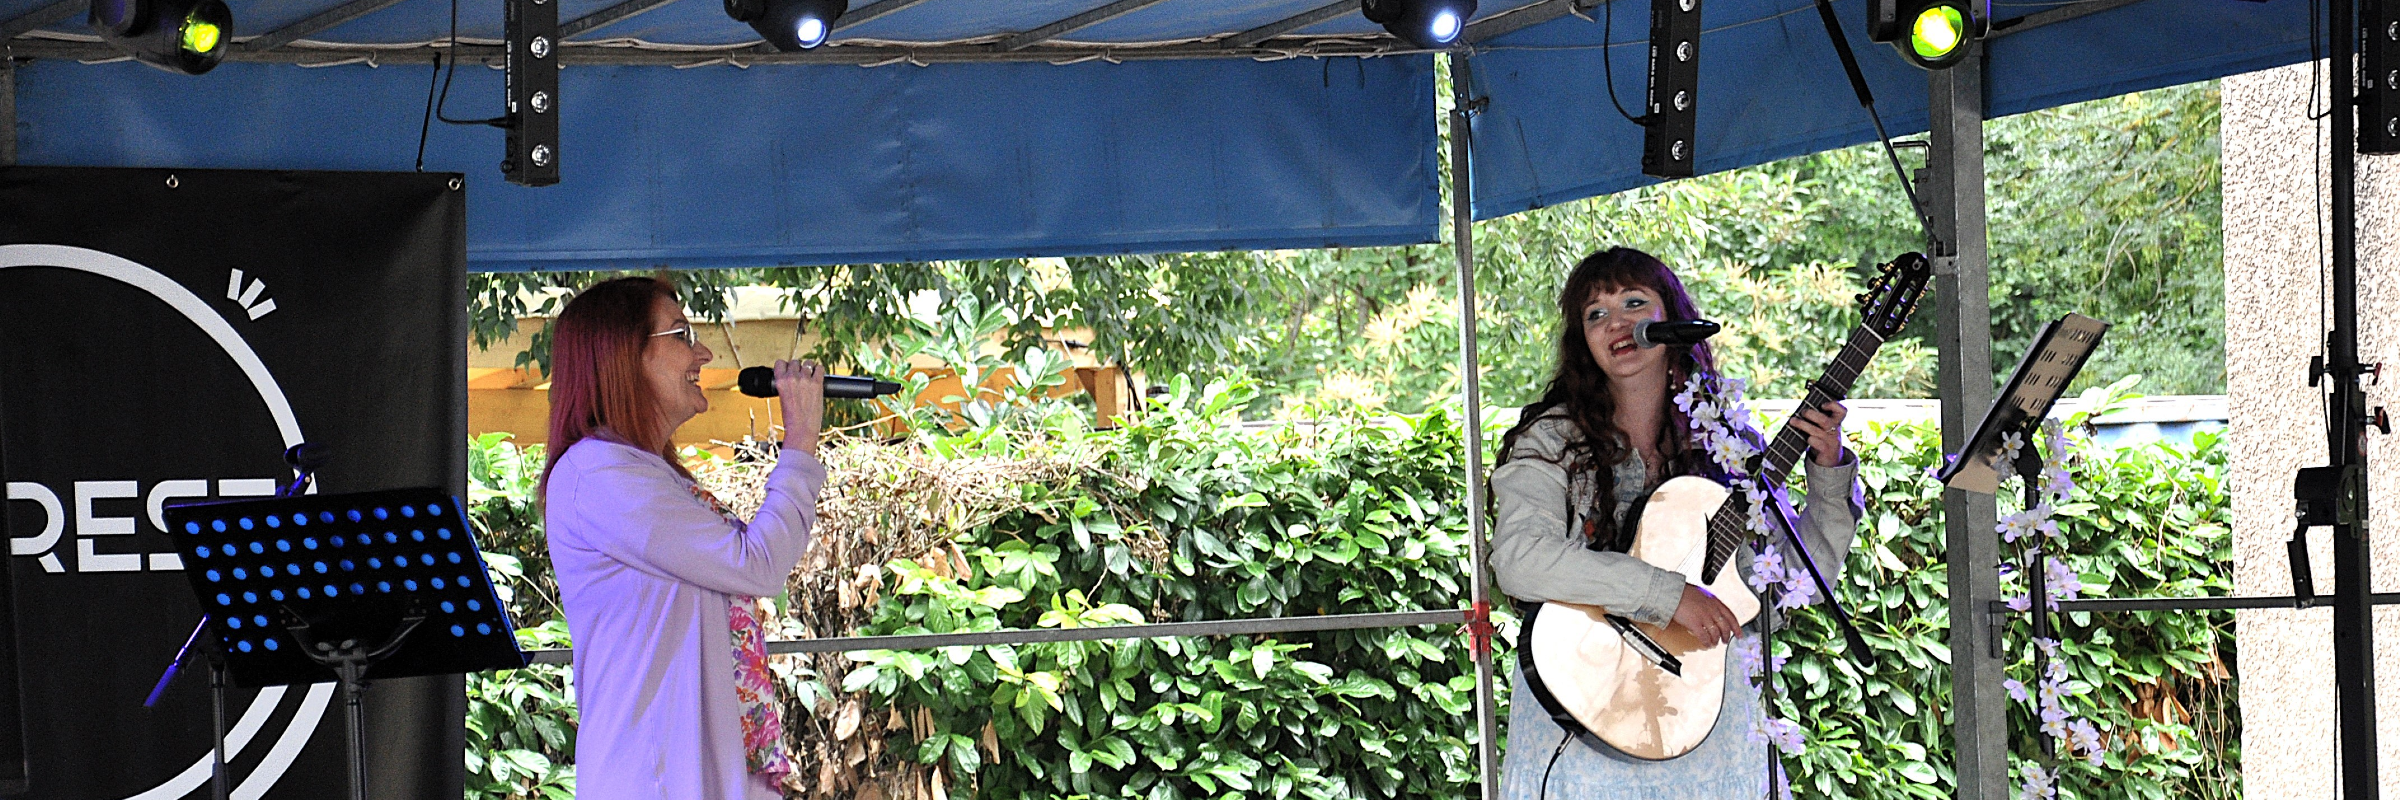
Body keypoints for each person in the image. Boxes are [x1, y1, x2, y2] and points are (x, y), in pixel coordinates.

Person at [1490, 247, 1861, 799]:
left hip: (1706, 713)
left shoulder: (1730, 446)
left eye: (1634, 303)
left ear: (1673, 322)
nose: (1616, 323)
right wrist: (1668, 595)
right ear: (1581, 341)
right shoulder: (1551, 442)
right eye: (1595, 314)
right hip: (1582, 710)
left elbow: (1788, 582)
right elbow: (1521, 561)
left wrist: (1828, 471)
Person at [539, 276, 827, 800]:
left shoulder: (647, 475)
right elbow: (756, 563)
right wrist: (801, 442)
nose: (704, 351)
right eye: (681, 333)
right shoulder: (599, 475)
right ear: (622, 356)